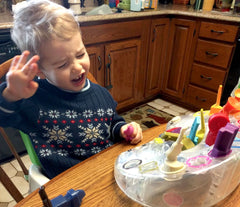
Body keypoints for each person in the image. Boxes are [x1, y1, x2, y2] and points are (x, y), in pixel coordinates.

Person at [0, 0, 142, 179]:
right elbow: (4, 116)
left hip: (108, 173)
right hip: (67, 186)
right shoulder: (34, 101)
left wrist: (123, 128)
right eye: (62, 64)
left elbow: (111, 122)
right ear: (40, 71)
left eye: (80, 54)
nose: (76, 67)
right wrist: (12, 95)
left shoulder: (101, 94)